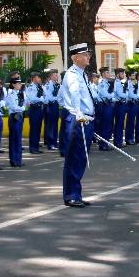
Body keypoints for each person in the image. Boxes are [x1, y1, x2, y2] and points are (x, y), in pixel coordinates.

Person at [59, 43, 96, 207]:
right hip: (78, 119)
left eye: (88, 54)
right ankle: (72, 195)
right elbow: (73, 94)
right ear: (75, 58)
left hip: (85, 119)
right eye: (85, 54)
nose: (88, 57)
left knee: (80, 158)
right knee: (75, 158)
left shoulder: (82, 74)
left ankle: (75, 193)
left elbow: (60, 96)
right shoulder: (72, 74)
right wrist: (77, 113)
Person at [6, 73, 26, 167]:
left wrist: (21, 108)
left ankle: (19, 160)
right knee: (14, 139)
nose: (20, 85)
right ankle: (13, 160)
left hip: (20, 116)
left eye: (20, 83)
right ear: (13, 84)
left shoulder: (22, 94)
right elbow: (14, 107)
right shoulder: (11, 94)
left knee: (19, 139)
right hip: (14, 117)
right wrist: (21, 108)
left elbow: (25, 105)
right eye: (18, 83)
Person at [25, 71, 45, 154]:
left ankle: (36, 147)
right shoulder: (30, 87)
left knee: (38, 129)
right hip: (34, 109)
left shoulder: (39, 87)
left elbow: (45, 96)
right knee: (34, 129)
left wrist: (42, 99)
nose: (39, 79)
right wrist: (41, 99)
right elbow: (32, 99)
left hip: (39, 108)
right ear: (34, 78)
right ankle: (32, 148)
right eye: (38, 77)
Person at [43, 69, 61, 151]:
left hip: (56, 106)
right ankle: (50, 144)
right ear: (50, 76)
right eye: (55, 75)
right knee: (50, 125)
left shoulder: (57, 85)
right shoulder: (48, 85)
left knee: (55, 125)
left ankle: (54, 142)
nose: (57, 76)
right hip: (50, 106)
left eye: (57, 75)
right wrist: (57, 98)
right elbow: (49, 97)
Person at [112, 67, 128, 147]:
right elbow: (120, 94)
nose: (124, 75)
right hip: (119, 104)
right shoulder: (117, 83)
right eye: (122, 73)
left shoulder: (119, 82)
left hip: (120, 104)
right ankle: (118, 142)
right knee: (119, 123)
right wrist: (127, 94)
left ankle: (119, 141)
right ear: (118, 74)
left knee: (120, 123)